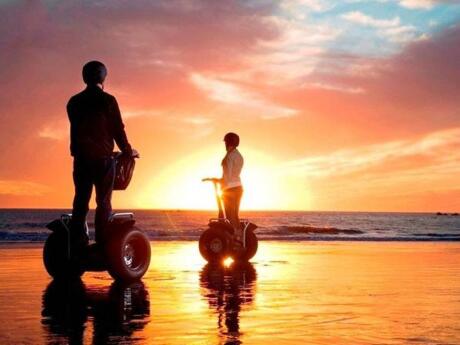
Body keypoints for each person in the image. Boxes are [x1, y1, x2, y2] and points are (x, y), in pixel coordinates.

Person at [67, 60, 133, 255]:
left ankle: (77, 242)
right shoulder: (108, 100)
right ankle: (102, 243)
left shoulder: (73, 101)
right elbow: (117, 129)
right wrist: (127, 150)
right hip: (102, 159)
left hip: (80, 158)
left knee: (80, 200)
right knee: (103, 201)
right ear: (102, 77)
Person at [212, 133, 244, 247]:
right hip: (239, 187)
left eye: (226, 142)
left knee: (229, 216)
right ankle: (240, 238)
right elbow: (234, 174)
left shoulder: (229, 156)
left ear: (228, 143)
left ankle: (237, 240)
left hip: (230, 189)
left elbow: (228, 176)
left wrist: (217, 180)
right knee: (234, 215)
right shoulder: (239, 156)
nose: (225, 144)